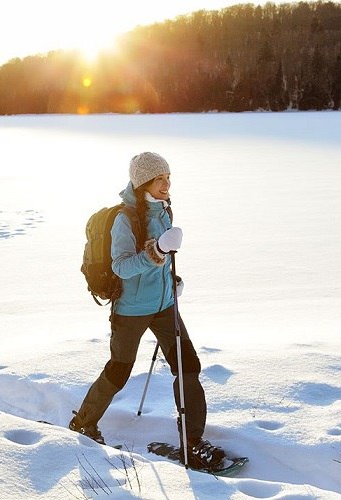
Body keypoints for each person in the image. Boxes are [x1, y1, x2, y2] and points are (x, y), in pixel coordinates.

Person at [69, 152, 225, 469]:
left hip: (165, 306)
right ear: (144, 183)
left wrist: (170, 279)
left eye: (168, 177)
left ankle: (192, 442)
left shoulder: (164, 210)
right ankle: (84, 422)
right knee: (119, 371)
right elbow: (122, 266)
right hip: (131, 310)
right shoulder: (126, 220)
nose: (167, 184)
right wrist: (156, 251)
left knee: (188, 365)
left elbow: (161, 260)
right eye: (160, 179)